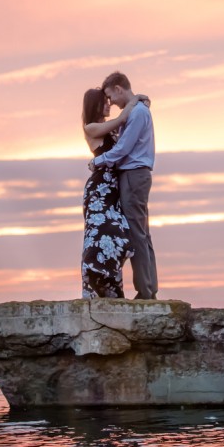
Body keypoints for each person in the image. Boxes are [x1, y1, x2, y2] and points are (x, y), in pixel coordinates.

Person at [90, 72, 157, 300]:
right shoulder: (137, 110)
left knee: (136, 233)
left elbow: (123, 149)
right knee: (142, 233)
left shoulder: (137, 113)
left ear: (119, 89)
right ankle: (149, 288)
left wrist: (97, 162)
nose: (111, 103)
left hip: (133, 175)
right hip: (135, 175)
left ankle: (145, 292)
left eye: (111, 96)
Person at [80, 87, 144, 298]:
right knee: (104, 234)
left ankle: (109, 286)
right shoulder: (91, 128)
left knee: (121, 234)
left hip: (114, 190)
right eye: (105, 101)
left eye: (109, 100)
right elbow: (122, 119)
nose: (109, 104)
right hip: (99, 191)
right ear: (95, 105)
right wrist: (134, 100)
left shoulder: (110, 129)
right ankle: (95, 276)